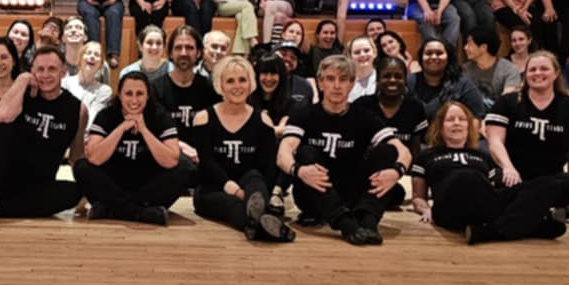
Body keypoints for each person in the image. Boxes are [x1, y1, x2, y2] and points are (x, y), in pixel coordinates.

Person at [278, 55, 411, 245]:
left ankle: (368, 222)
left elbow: (402, 150)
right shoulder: (304, 113)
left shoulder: (364, 116)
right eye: (330, 79)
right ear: (321, 83)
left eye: (343, 80)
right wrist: (298, 170)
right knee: (306, 152)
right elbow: (283, 152)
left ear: (351, 84)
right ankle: (346, 224)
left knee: (388, 152)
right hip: (312, 194)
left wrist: (396, 171)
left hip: (350, 192)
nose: (337, 86)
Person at [412, 100, 569, 243]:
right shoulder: (427, 155)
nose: (456, 123)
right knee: (465, 177)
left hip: (485, 201)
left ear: (469, 126)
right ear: (441, 127)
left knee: (550, 184)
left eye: (462, 119)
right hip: (451, 206)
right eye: (450, 119)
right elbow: (418, 196)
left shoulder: (483, 155)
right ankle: (532, 224)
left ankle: (491, 232)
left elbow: (498, 188)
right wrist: (424, 209)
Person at [0, 46, 85, 231]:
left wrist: (86, 189)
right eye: (39, 69)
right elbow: (1, 115)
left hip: (39, 184)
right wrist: (23, 79)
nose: (45, 75)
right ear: (32, 71)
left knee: (75, 192)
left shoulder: (78, 109)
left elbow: (76, 155)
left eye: (52, 69)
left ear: (63, 72)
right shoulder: (23, 94)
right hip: (6, 176)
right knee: (1, 129)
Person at [187, 54, 293, 241]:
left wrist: (260, 193)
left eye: (242, 80)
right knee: (234, 206)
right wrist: (236, 191)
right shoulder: (203, 118)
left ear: (251, 83)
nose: (237, 86)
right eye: (230, 81)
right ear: (221, 85)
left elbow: (267, 167)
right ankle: (271, 228)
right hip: (214, 187)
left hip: (251, 185)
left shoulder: (263, 120)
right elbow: (207, 163)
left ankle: (256, 219)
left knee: (255, 180)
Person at [77, 70, 191, 224]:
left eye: (140, 94)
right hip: (113, 181)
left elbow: (171, 160)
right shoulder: (106, 115)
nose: (134, 100)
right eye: (128, 93)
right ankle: (142, 213)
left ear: (148, 96)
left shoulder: (159, 116)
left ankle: (113, 209)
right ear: (120, 95)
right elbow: (95, 158)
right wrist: (122, 127)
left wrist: (144, 129)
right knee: (82, 167)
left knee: (186, 167)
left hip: (148, 184)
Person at [484, 50, 569, 183]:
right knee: (502, 180)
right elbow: (495, 142)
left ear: (556, 73)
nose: (538, 73)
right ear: (525, 75)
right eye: (532, 70)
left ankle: (531, 198)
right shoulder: (506, 102)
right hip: (513, 175)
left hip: (552, 177)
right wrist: (509, 168)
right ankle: (541, 199)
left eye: (544, 69)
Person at [408, 39, 488, 120]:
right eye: (428, 53)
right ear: (421, 57)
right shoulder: (408, 81)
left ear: (448, 57)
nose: (433, 57)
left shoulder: (463, 85)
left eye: (439, 53)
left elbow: (477, 117)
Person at [460, 25, 521, 100]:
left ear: (483, 47)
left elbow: (508, 100)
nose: (465, 48)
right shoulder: (464, 70)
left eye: (469, 44)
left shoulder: (509, 70)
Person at [68, 40, 114, 116]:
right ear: (80, 58)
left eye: (96, 55)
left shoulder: (105, 91)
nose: (92, 56)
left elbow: (92, 117)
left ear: (101, 63)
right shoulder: (64, 84)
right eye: (88, 53)